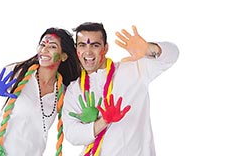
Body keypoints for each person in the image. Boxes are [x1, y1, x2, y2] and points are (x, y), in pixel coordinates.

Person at [62, 22, 179, 156]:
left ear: (105, 48)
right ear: (77, 49)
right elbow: (72, 135)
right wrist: (103, 121)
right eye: (82, 45)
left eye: (95, 45)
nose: (88, 51)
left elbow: (173, 54)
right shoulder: (74, 90)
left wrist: (148, 48)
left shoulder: (132, 70)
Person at [0, 27, 81, 156]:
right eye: (42, 44)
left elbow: (76, 122)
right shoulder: (18, 73)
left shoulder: (64, 92)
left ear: (64, 56)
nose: (44, 50)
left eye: (52, 47)